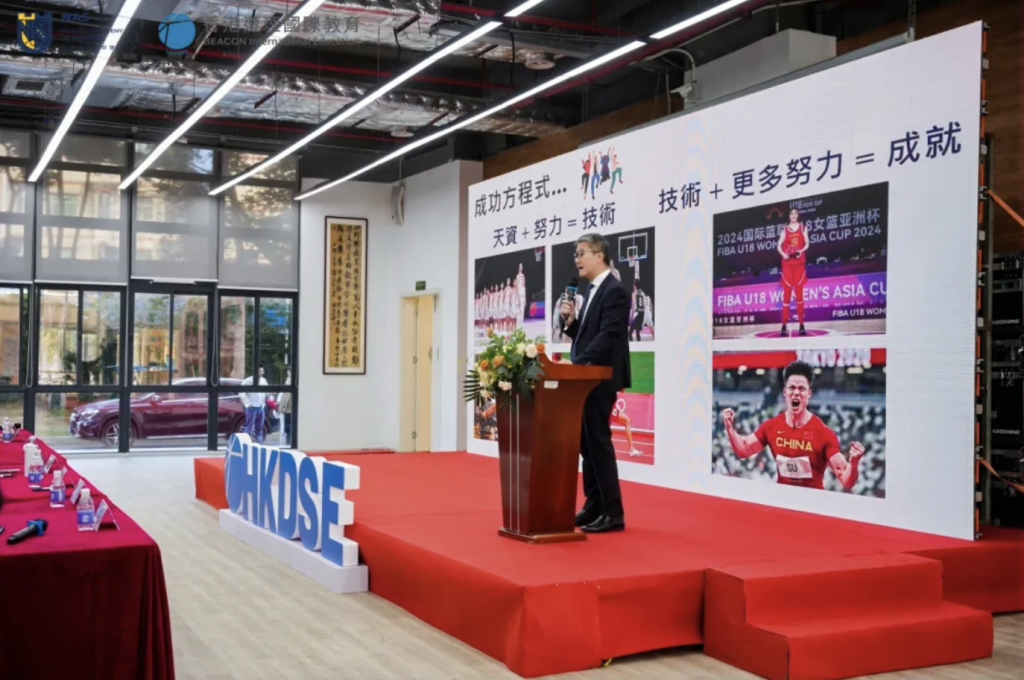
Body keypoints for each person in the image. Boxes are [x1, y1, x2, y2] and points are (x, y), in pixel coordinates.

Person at [559, 233, 631, 533]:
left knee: (598, 443)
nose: (577, 259)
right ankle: (594, 505)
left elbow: (609, 335)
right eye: (576, 254)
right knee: (586, 444)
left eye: (581, 253)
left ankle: (613, 512)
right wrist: (571, 323)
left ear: (599, 256)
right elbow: (588, 335)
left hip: (600, 379)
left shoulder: (615, 290)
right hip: (586, 379)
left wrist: (579, 364)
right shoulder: (591, 291)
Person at [719, 361, 865, 491]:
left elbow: (846, 480)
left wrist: (853, 463)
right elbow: (744, 449)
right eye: (792, 388)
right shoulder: (771, 426)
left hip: (811, 504)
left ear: (809, 393)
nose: (796, 393)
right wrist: (730, 429)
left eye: (801, 389)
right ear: (785, 392)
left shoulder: (824, 434)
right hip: (783, 502)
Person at [778, 208, 809, 336]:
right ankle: (783, 325)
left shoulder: (802, 227)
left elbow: (807, 243)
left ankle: (801, 325)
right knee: (786, 295)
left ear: (798, 215)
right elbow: (778, 245)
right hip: (787, 265)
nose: (793, 215)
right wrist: (783, 254)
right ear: (789, 216)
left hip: (799, 265)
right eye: (791, 213)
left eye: (795, 213)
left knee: (799, 295)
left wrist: (801, 251)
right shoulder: (785, 230)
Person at [240, 365, 269, 443]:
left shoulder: (263, 380)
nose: (261, 373)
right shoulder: (248, 381)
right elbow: (241, 392)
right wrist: (247, 403)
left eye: (262, 371)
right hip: (251, 407)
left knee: (260, 427)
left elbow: (266, 391)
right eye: (259, 371)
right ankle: (246, 443)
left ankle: (259, 443)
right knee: (249, 427)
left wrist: (264, 402)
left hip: (260, 407)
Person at [276, 369, 293, 446]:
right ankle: (285, 445)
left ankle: (284, 445)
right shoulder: (290, 381)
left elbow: (286, 396)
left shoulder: (289, 382)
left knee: (285, 430)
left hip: (287, 410)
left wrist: (283, 407)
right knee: (286, 430)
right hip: (288, 410)